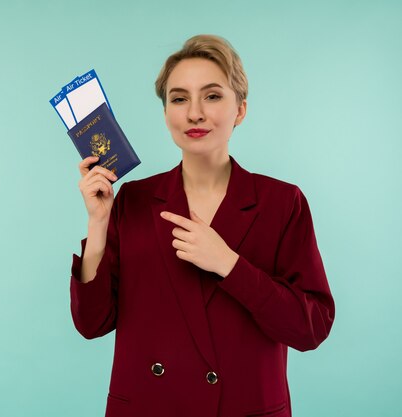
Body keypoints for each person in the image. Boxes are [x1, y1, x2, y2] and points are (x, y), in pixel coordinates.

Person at [70, 34, 335, 417]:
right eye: (179, 99)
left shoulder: (282, 202)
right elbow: (92, 324)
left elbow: (311, 329)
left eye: (212, 96)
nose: (194, 113)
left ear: (240, 110)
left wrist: (230, 264)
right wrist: (97, 224)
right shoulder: (132, 199)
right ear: (166, 114)